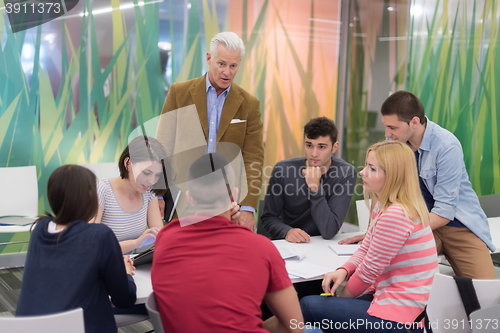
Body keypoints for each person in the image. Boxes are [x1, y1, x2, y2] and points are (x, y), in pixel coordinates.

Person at [151, 153, 304, 333]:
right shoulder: (261, 247)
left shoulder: (166, 237)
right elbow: (296, 327)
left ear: (190, 197)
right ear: (234, 195)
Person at [300, 141, 438, 333]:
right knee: (316, 313)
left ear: (393, 175)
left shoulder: (396, 214)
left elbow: (367, 273)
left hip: (402, 318)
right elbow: (366, 247)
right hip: (388, 300)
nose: (362, 172)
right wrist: (345, 270)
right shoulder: (386, 205)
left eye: (372, 168)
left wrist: (338, 301)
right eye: (366, 165)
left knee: (307, 305)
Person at [378, 90, 494, 279]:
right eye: (386, 127)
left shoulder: (446, 146)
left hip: (458, 226)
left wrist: (401, 230)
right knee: (392, 273)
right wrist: (377, 231)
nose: (387, 134)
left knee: (487, 295)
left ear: (414, 122)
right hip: (421, 224)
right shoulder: (394, 144)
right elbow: (385, 192)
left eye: (392, 128)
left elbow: (445, 212)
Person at [156, 31, 264, 231]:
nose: (227, 72)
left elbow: (253, 158)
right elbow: (162, 146)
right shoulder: (179, 93)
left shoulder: (249, 105)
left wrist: (248, 206)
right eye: (221, 64)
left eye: (233, 66)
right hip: (184, 196)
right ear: (209, 58)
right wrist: (158, 193)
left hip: (229, 204)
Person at [17, 165, 137, 333]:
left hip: (29, 328)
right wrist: (126, 273)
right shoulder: (99, 235)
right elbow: (124, 299)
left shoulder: (40, 229)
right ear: (90, 196)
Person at [262, 117, 356, 243]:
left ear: (334, 147)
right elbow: (269, 217)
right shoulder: (282, 169)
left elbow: (329, 230)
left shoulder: (345, 173)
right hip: (287, 245)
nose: (314, 154)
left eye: (321, 147)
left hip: (322, 246)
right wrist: (286, 231)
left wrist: (315, 188)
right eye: (309, 145)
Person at [92, 136, 167, 254]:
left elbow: (160, 234)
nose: (152, 181)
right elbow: (92, 245)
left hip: (130, 267)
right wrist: (136, 243)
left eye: (157, 175)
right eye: (146, 173)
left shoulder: (149, 193)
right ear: (128, 163)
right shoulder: (101, 191)